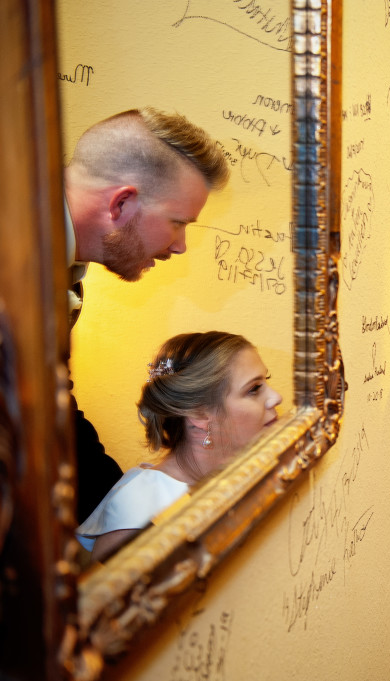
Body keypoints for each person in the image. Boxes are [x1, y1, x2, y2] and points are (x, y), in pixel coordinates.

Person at [63, 107, 230, 523]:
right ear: (121, 203)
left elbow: (51, 414)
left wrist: (123, 524)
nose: (180, 247)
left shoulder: (63, 270)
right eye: (178, 223)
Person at [77, 331, 281, 563]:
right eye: (254, 389)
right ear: (199, 414)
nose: (276, 397)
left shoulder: (240, 472)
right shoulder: (144, 511)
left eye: (267, 381)